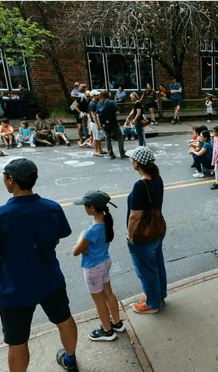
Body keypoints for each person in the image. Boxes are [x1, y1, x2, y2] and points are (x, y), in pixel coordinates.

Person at [0, 158, 78, 372]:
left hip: (14, 288)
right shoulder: (52, 207)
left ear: (11, 180)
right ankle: (71, 359)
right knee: (64, 319)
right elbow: (57, 239)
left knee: (17, 342)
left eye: (5, 176)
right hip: (50, 279)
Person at [72, 190, 124, 341]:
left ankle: (107, 331)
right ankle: (116, 323)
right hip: (105, 262)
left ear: (92, 208)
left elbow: (76, 251)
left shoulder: (91, 230)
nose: (84, 208)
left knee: (98, 300)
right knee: (108, 293)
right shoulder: (104, 224)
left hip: (93, 268)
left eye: (85, 205)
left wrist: (81, 236)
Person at [126, 146, 168, 314]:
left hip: (143, 235)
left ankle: (152, 304)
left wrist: (130, 236)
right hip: (157, 230)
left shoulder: (140, 185)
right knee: (158, 265)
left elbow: (134, 217)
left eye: (132, 159)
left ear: (137, 163)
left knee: (146, 270)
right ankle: (159, 295)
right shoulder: (158, 179)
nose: (131, 161)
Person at [97, 90, 127, 160]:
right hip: (113, 122)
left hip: (104, 123)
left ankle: (111, 153)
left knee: (107, 138)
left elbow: (98, 115)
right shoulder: (111, 102)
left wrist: (100, 124)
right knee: (120, 137)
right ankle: (122, 152)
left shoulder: (99, 104)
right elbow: (117, 112)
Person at [88, 90, 105, 157]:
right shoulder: (92, 104)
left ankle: (100, 149)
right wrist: (98, 124)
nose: (98, 96)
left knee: (99, 137)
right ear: (93, 96)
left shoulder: (96, 102)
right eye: (97, 95)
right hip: (94, 123)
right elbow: (93, 115)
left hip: (98, 122)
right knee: (95, 137)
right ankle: (96, 151)